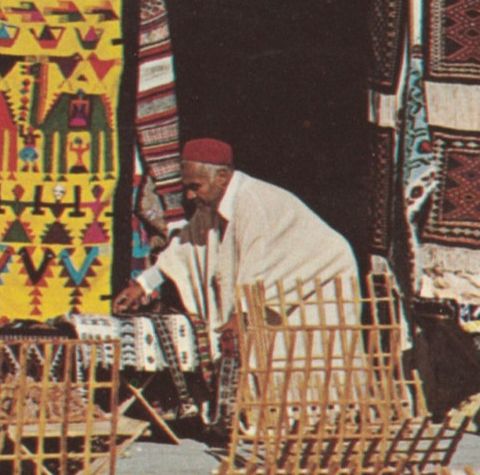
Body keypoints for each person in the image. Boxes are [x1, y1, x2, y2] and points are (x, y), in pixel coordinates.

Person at [112, 138, 357, 331]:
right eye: (186, 187)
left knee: (306, 363)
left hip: (322, 278)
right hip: (281, 291)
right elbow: (184, 248)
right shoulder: (210, 205)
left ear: (221, 177)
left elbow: (255, 269)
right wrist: (144, 285)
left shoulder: (252, 204)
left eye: (195, 187)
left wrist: (239, 319)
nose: (188, 196)